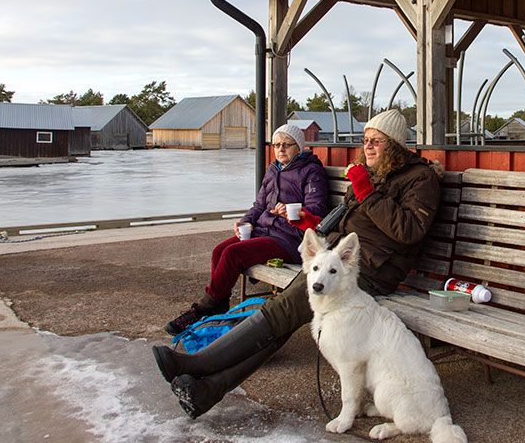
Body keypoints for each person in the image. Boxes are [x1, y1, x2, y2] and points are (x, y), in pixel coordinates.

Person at [152, 109, 443, 419]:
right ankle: (205, 391)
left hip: (372, 272)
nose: (368, 146)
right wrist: (312, 223)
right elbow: (344, 222)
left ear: (394, 145)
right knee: (282, 315)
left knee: (282, 311)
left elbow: (409, 231)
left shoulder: (420, 179)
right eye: (366, 139)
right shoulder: (373, 173)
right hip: (336, 265)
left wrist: (367, 193)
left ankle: (199, 365)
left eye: (377, 141)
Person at [163, 123, 329, 336]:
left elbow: (317, 209)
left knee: (233, 254)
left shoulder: (311, 171)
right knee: (219, 251)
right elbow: (259, 206)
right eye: (277, 144)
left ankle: (204, 308)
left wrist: (291, 211)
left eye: (286, 145)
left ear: (298, 147)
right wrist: (245, 221)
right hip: (263, 231)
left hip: (288, 237)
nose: (280, 149)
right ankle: (219, 305)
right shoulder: (273, 170)